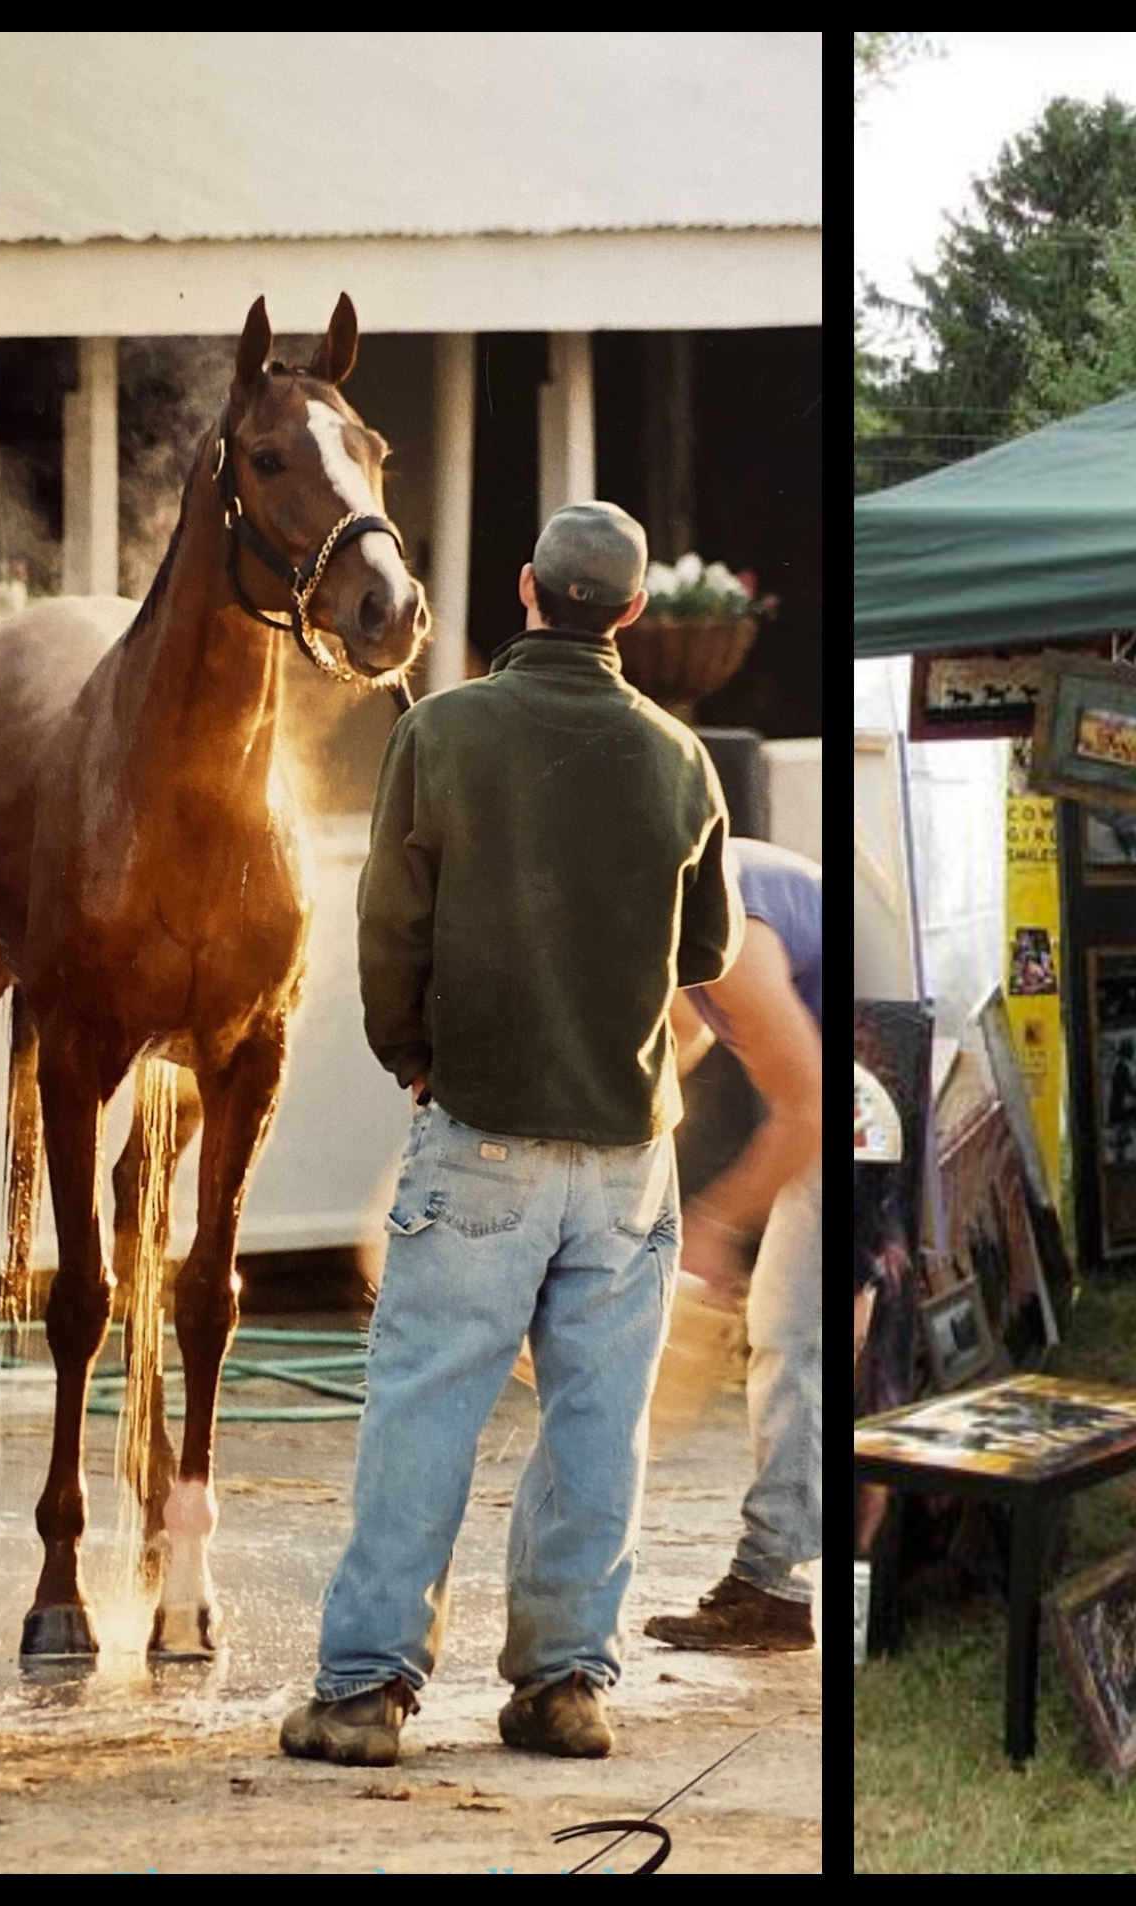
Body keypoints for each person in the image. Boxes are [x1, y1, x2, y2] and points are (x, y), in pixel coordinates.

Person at [284, 500, 739, 1766]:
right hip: (628, 1149)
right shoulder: (678, 757)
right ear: (634, 615)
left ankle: (365, 1693)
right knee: (599, 1421)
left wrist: (413, 1058)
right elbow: (710, 950)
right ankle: (564, 1684)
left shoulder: (441, 733)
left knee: (429, 1405)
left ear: (528, 592)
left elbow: (390, 933)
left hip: (480, 1129)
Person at [642, 837, 826, 1653]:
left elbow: (811, 1111)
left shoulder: (729, 935)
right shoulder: (670, 906)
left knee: (790, 1341)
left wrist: (716, 1227)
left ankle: (773, 1587)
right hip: (833, 1098)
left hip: (852, 1109)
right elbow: (683, 1038)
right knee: (797, 1345)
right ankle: (779, 1577)